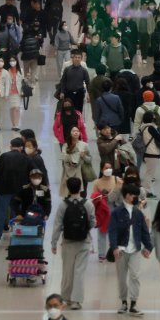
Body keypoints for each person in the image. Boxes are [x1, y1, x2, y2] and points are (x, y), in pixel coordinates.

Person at [108, 184, 153, 316]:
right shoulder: (116, 212)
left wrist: (148, 247)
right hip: (121, 250)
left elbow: (144, 231)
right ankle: (123, 302)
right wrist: (114, 247)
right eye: (134, 195)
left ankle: (133, 303)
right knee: (121, 277)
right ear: (127, 195)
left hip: (135, 250)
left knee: (135, 276)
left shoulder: (138, 213)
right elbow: (112, 231)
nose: (136, 197)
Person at [51, 177, 96, 310]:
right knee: (79, 272)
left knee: (67, 271)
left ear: (68, 188)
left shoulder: (63, 205)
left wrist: (53, 243)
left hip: (68, 242)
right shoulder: (88, 204)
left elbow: (57, 225)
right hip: (84, 241)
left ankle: (65, 298)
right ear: (80, 187)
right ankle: (77, 301)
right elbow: (93, 222)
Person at [0, 137, 32, 248]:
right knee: (19, 213)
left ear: (11, 146)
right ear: (21, 147)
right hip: (20, 191)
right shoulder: (26, 158)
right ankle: (22, 236)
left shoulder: (4, 156)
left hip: (5, 189)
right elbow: (31, 173)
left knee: (1, 214)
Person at [59, 127, 91, 198]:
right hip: (69, 172)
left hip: (82, 172)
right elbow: (64, 158)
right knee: (68, 193)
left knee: (82, 193)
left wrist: (84, 156)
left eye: (77, 131)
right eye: (73, 131)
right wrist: (71, 156)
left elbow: (89, 160)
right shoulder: (65, 145)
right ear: (70, 133)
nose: (76, 132)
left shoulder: (84, 145)